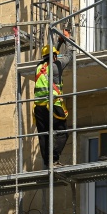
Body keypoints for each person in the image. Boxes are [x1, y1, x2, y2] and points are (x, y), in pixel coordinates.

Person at [33, 29, 74, 168]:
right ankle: (54, 159)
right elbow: (69, 55)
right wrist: (68, 39)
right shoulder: (56, 66)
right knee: (62, 133)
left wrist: (58, 43)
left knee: (44, 135)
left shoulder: (38, 67)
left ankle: (47, 162)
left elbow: (51, 54)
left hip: (39, 107)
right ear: (55, 57)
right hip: (52, 105)